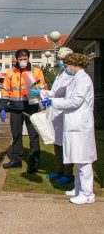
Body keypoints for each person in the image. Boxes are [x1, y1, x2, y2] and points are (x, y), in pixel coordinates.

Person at [41, 53, 97, 204]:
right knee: (77, 159)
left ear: (73, 64)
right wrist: (53, 100)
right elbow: (69, 99)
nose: (65, 69)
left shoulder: (83, 79)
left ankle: (87, 194)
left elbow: (74, 102)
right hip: (74, 124)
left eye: (66, 66)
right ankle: (79, 189)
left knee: (83, 161)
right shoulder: (76, 78)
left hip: (80, 125)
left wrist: (53, 102)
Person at [30, 47, 75, 184]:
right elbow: (55, 92)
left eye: (62, 60)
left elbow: (66, 97)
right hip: (56, 113)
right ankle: (59, 170)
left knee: (66, 145)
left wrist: (44, 95)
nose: (60, 62)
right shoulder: (61, 73)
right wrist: (42, 93)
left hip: (63, 113)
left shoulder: (71, 75)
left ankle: (68, 174)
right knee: (57, 144)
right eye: (59, 59)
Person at [1, 49, 47, 174]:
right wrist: (3, 107)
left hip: (31, 108)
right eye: (20, 59)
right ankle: (16, 160)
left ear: (28, 58)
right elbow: (5, 90)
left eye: (25, 59)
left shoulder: (36, 71)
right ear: (16, 59)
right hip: (15, 109)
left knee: (33, 136)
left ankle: (33, 163)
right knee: (16, 135)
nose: (23, 61)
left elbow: (43, 87)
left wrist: (38, 92)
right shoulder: (10, 72)